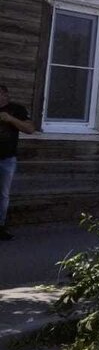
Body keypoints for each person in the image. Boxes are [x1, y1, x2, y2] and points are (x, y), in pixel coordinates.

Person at [0, 85, 34, 242]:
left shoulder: (16, 109)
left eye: (1, 94)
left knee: (3, 195)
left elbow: (29, 129)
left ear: (6, 95)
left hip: (7, 158)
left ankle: (0, 227)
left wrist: (10, 119)